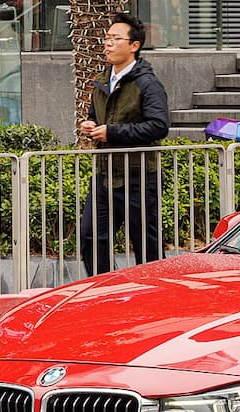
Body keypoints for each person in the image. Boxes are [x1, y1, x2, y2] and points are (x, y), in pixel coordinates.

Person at [78, 12, 170, 276]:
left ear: (134, 46)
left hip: (139, 177)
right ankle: (103, 290)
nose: (108, 44)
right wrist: (90, 125)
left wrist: (113, 132)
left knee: (146, 244)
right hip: (105, 176)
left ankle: (153, 292)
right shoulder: (101, 81)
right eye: (107, 38)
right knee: (91, 238)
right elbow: (97, 117)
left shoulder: (147, 83)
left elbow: (158, 126)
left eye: (116, 38)